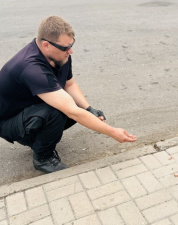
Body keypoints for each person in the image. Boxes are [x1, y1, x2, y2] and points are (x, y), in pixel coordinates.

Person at [0, 16, 137, 174]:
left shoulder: (60, 56)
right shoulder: (32, 68)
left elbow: (69, 84)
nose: (70, 51)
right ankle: (43, 158)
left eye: (72, 45)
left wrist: (89, 108)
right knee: (57, 111)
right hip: (7, 121)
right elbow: (71, 111)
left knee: (78, 109)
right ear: (46, 45)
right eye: (66, 48)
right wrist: (112, 132)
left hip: (29, 110)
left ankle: (38, 138)